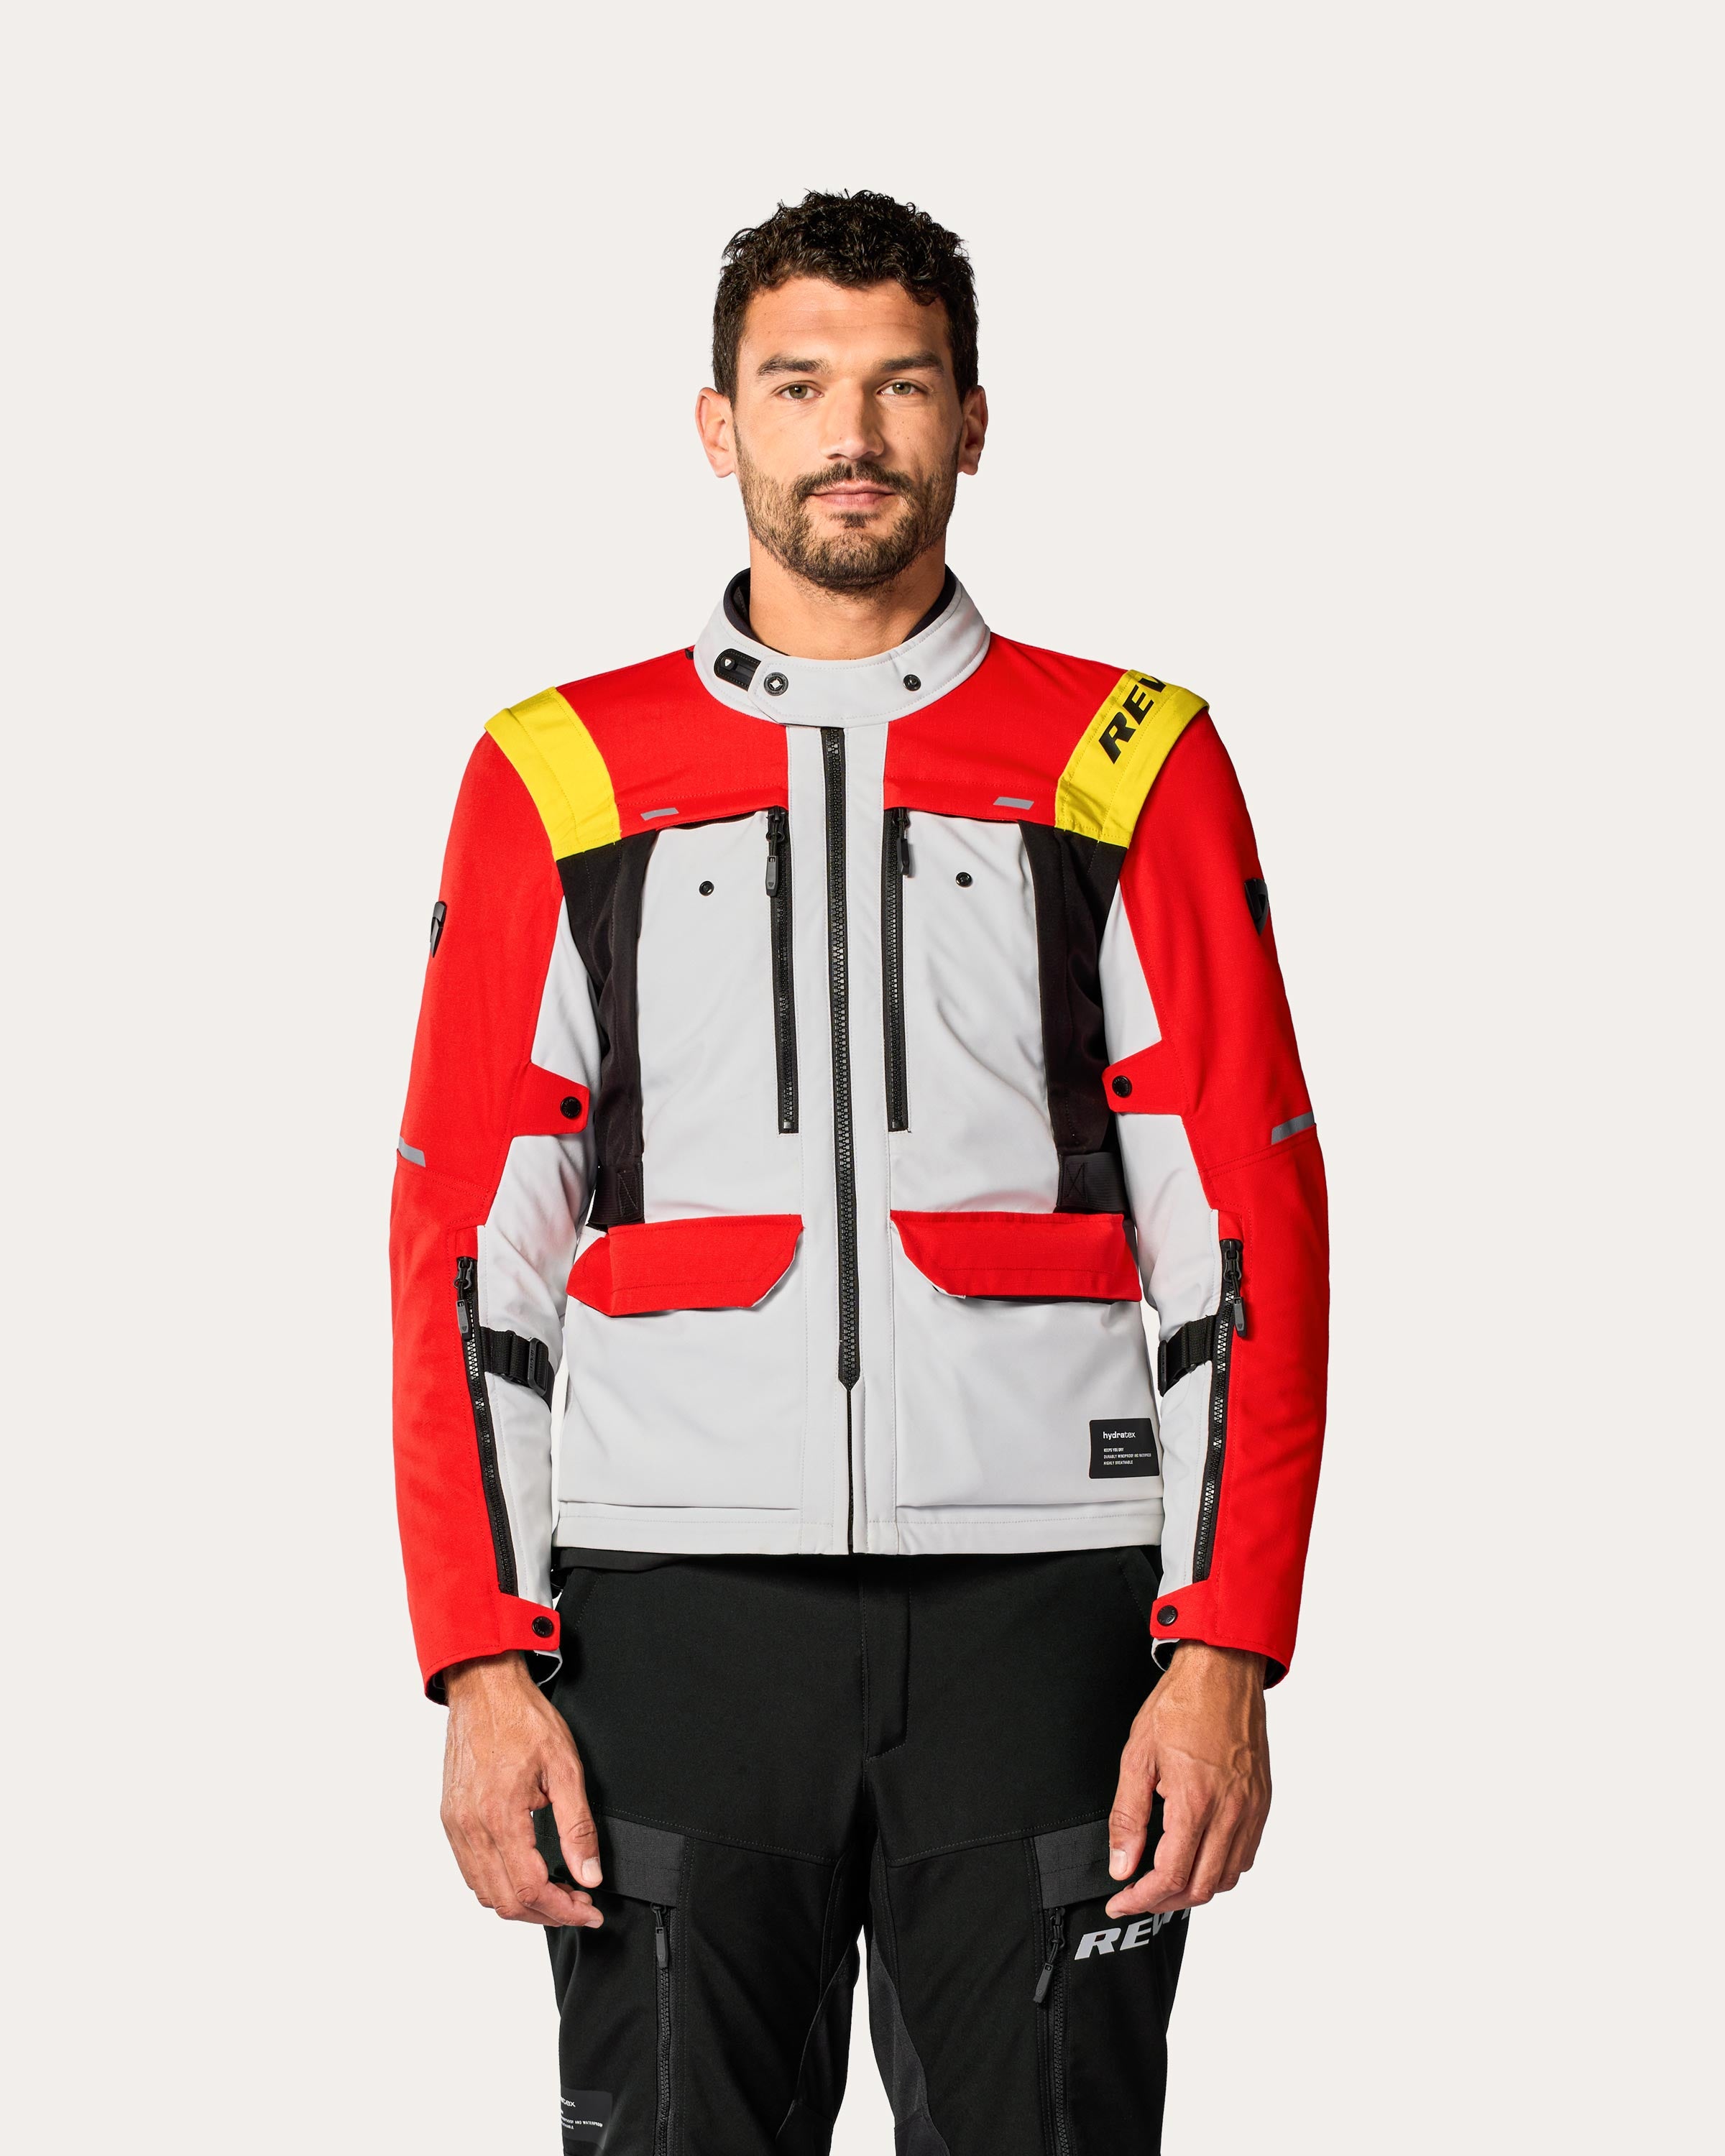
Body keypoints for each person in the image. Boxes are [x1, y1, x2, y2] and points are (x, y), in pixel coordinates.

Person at [390, 188, 1328, 2155]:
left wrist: (1223, 1649)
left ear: (973, 422)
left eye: (903, 385)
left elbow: (1244, 1228)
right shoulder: (558, 771)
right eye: (799, 383)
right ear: (717, 424)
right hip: (665, 1628)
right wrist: (480, 1663)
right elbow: (470, 1252)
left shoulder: (1130, 755)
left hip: (1050, 1625)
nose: (853, 433)